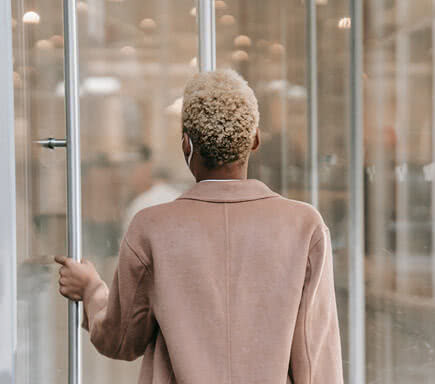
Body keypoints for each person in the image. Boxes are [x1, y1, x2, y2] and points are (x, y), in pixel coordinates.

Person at [55, 69, 343, 384]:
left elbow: (122, 339)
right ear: (255, 140)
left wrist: (91, 289)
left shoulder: (152, 227)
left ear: (186, 145)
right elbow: (315, 360)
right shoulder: (304, 227)